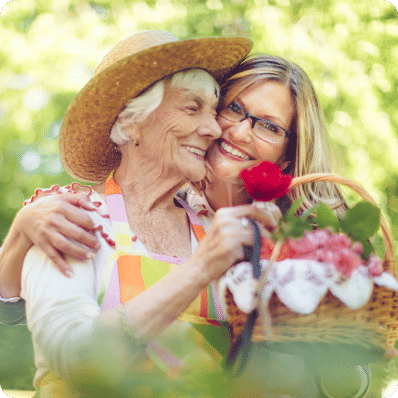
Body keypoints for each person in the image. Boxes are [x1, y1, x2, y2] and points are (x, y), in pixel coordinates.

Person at [3, 29, 291, 397]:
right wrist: (200, 268)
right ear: (131, 120)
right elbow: (77, 359)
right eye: (192, 108)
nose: (215, 127)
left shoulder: (213, 230)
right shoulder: (68, 219)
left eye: (214, 109)